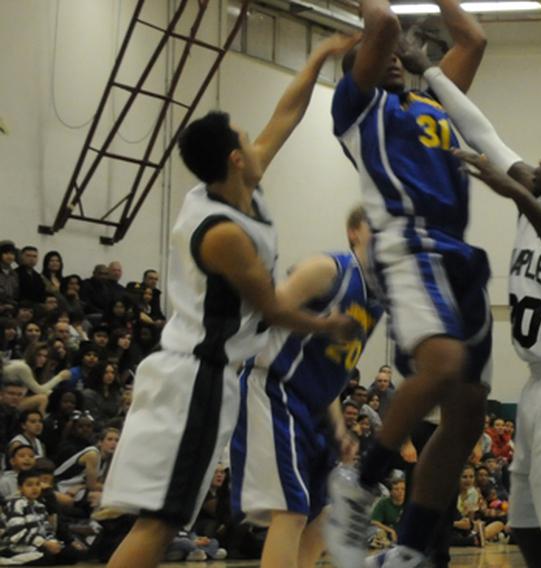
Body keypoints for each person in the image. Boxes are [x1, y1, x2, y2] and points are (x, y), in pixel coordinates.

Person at [100, 32, 360, 568]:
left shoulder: (236, 185)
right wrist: (331, 324)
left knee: (161, 519)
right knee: (162, 520)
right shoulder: (222, 232)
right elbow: (274, 310)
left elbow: (286, 114)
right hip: (196, 376)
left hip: (202, 373)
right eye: (247, 137)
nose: (258, 138)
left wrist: (315, 58)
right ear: (237, 159)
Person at [396, 49, 541, 568]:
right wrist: (428, 69)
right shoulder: (537, 194)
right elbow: (482, 133)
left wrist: (518, 198)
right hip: (539, 387)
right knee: (529, 531)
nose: (536, 161)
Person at [325, 0, 491, 566]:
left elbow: (472, 40)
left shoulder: (430, 102)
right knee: (442, 366)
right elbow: (386, 23)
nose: (396, 56)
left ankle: (411, 547)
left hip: (460, 252)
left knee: (469, 409)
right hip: (408, 242)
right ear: (363, 66)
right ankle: (362, 482)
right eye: (383, 54)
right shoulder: (355, 107)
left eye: (401, 55)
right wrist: (381, 30)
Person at [230, 205, 384, 568]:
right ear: (354, 232)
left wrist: (339, 427)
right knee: (292, 511)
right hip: (275, 389)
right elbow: (269, 309)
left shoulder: (375, 303)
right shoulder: (329, 268)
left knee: (320, 518)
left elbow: (328, 370)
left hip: (314, 407)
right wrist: (327, 324)